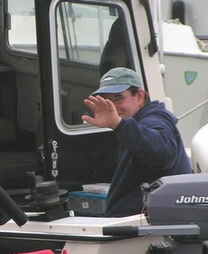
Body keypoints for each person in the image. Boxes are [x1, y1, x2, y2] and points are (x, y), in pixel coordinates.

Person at [82, 67, 192, 216]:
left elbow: (163, 152)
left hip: (148, 228)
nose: (112, 107)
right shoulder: (133, 123)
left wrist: (118, 124)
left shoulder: (154, 120)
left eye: (118, 98)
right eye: (107, 100)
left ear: (140, 96)